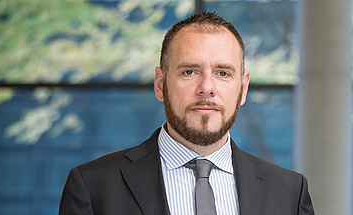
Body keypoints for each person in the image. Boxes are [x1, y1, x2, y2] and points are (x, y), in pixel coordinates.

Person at [59, 11, 314, 215]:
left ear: (243, 88)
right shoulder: (93, 187)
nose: (206, 88)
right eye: (189, 71)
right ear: (160, 84)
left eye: (223, 73)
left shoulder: (290, 193)